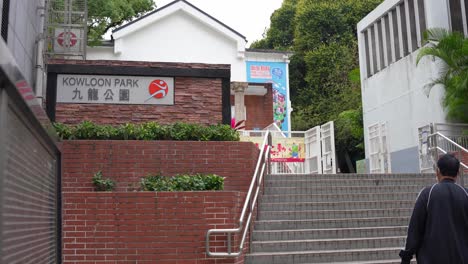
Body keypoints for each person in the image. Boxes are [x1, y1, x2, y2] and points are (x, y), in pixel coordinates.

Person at [399, 153, 468, 263]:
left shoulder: (427, 194)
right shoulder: (465, 194)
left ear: (438, 171)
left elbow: (415, 229)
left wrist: (406, 256)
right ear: (457, 173)